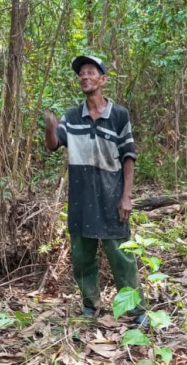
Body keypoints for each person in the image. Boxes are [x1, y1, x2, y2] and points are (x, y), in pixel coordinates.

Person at [43, 55, 147, 327]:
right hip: (80, 198)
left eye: (91, 72)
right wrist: (50, 128)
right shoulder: (72, 116)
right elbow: (54, 145)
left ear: (103, 80)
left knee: (121, 255)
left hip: (111, 197)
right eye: (81, 74)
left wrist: (126, 197)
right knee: (82, 257)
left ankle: (136, 311)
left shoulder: (119, 115)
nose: (85, 77)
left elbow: (128, 156)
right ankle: (91, 305)